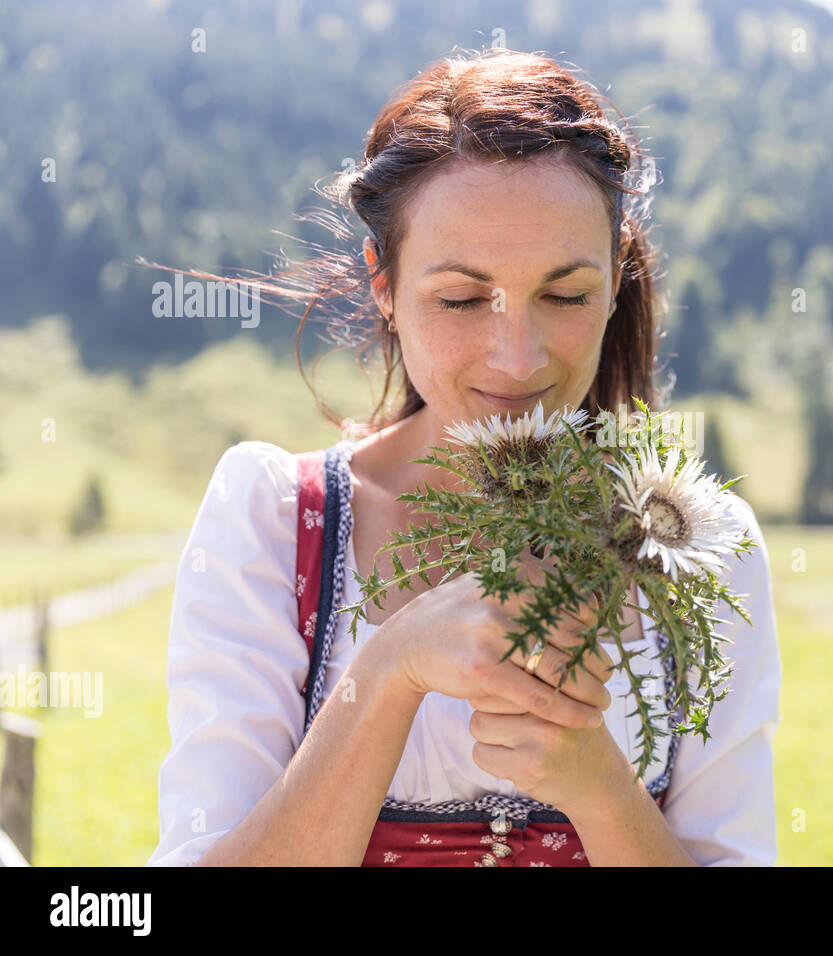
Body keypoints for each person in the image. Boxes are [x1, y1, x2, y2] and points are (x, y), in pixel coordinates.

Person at [146, 49, 781, 867]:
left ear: (617, 280)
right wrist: (387, 673)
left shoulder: (701, 548)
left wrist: (601, 789)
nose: (516, 359)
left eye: (566, 294)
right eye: (460, 298)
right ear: (384, 282)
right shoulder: (272, 521)